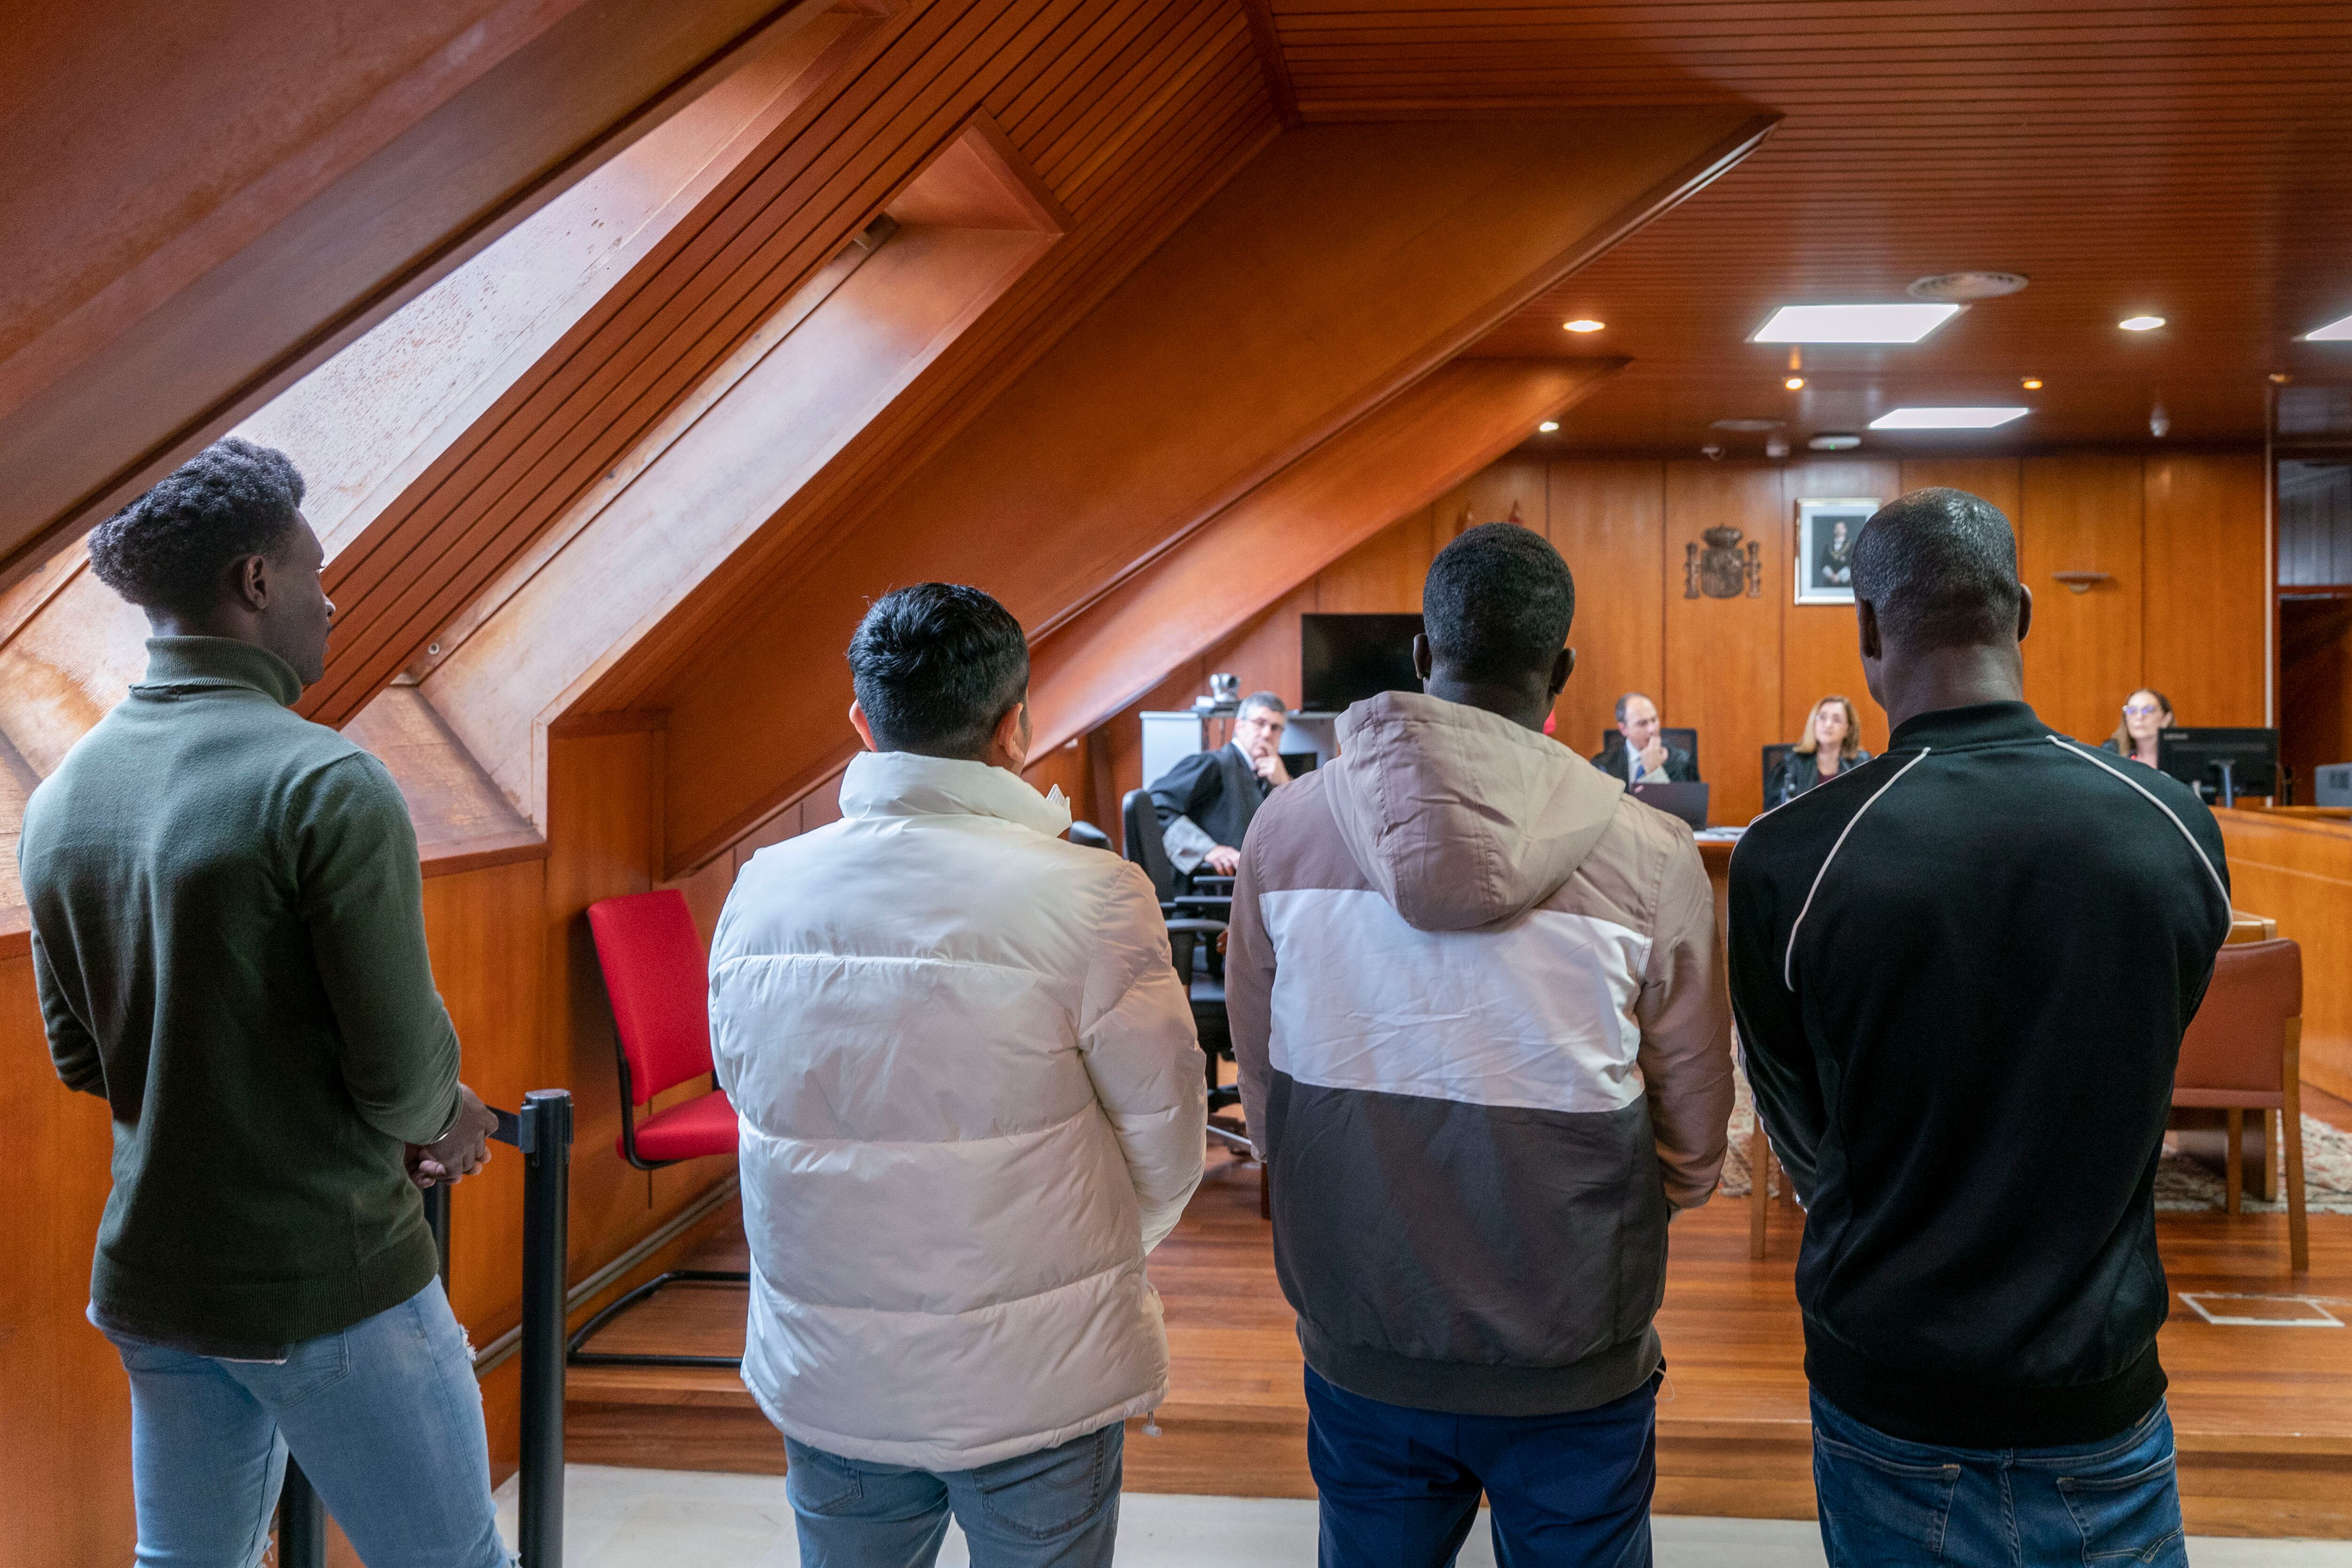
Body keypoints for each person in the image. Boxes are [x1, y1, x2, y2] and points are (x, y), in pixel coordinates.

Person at [18, 438, 510, 1568]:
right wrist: (452, 1122)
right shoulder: (323, 782)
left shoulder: (63, 798)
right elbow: (398, 1074)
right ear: (254, 583)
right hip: (325, 1280)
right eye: (314, 572)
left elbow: (85, 1058)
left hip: (156, 1281)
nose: (329, 603)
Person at [1728, 489, 2230, 1568]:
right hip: (2097, 1384)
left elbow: (1798, 1123)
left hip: (1890, 1381)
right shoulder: (2172, 827)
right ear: (2024, 615)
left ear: (1866, 628)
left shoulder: (1788, 855)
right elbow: (2152, 1048)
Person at [1227, 523, 1733, 1567]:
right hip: (1572, 1330)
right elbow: (1692, 1131)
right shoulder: (1650, 851)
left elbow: (1266, 1086)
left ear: (1421, 653)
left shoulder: (1284, 830)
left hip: (1362, 1318)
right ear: (1561, 672)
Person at [708, 582, 1207, 1568]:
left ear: (862, 721)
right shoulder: (1093, 893)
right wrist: (1083, 1252)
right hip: (1039, 1376)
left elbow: (753, 1095)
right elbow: (1168, 1138)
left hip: (834, 1369)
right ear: (1016, 725)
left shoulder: (762, 886)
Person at [1148, 688, 1290, 876]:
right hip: (1211, 893)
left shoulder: (1274, 778)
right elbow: (1153, 806)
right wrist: (1207, 849)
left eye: (1275, 728)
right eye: (1260, 723)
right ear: (1239, 725)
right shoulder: (1213, 764)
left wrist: (1286, 785)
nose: (1266, 734)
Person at [1766, 694, 1872, 807]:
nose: (1828, 725)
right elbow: (1774, 814)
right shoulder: (1791, 764)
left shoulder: (1863, 765)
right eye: (1822, 717)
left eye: (1837, 720)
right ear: (1814, 723)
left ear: (1848, 729)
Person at [1590, 691, 1699, 783]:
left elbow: (1684, 807)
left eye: (1654, 720)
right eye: (1642, 724)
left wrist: (1655, 772)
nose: (1652, 729)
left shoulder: (1682, 762)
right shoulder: (1603, 766)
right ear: (1624, 729)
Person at [2102, 687, 2176, 766]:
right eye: (2132, 710)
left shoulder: (2182, 760)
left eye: (2148, 710)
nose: (2139, 717)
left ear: (2166, 719)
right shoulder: (2110, 754)